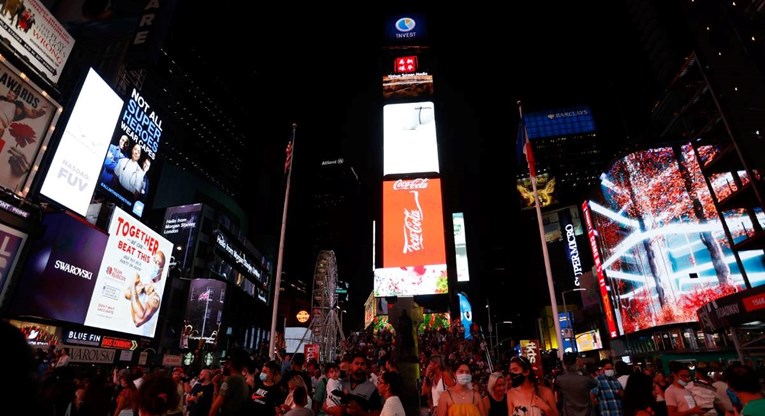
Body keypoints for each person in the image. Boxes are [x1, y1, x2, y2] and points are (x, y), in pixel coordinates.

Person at [125, 249, 166, 331]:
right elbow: (126, 294)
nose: (154, 264)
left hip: (140, 336)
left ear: (161, 269)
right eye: (154, 260)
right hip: (128, 331)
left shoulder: (157, 292)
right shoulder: (146, 278)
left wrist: (134, 285)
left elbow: (138, 322)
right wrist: (137, 290)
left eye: (157, 263)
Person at [209, 349, 252, 416]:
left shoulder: (232, 380)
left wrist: (215, 385)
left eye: (224, 363)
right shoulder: (242, 380)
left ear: (230, 364)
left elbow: (215, 406)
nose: (223, 366)